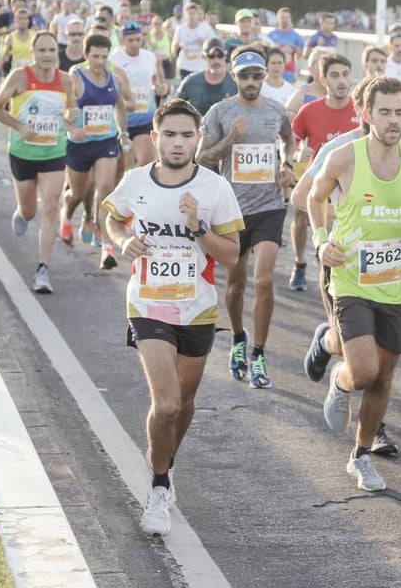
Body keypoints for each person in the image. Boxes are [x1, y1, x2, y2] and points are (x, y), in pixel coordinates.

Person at [103, 98, 245, 537]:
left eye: (186, 135)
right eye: (170, 135)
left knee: (183, 404)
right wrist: (122, 241)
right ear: (155, 137)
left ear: (198, 139)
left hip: (197, 308)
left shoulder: (215, 188)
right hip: (147, 304)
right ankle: (160, 485)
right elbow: (113, 220)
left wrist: (198, 227)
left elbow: (232, 255)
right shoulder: (135, 181)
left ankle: (163, 457)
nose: (178, 143)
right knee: (165, 403)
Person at [308, 76, 401, 491]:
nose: (394, 120)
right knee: (364, 371)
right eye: (385, 112)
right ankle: (340, 378)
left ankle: (361, 455)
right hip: (350, 278)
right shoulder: (344, 158)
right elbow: (314, 197)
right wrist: (321, 241)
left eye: (400, 111)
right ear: (366, 114)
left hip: (396, 283)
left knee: (384, 377)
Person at [197, 48, 296, 388]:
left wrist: (287, 164)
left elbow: (289, 139)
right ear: (233, 76)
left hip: (269, 206)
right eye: (245, 75)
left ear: (265, 75)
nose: (252, 81)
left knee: (264, 280)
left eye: (257, 75)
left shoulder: (276, 110)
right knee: (236, 286)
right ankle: (238, 337)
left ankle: (259, 353)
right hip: (232, 210)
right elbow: (202, 157)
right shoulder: (221, 112)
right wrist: (230, 139)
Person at [0, 31, 80, 293]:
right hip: (23, 153)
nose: (47, 55)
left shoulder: (65, 80)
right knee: (30, 211)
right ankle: (21, 212)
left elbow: (69, 109)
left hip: (53, 152)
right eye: (42, 50)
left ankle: (43, 269)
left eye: (51, 50)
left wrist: (72, 113)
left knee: (51, 205)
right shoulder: (19, 77)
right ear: (33, 53)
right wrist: (19, 127)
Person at [60, 33, 133, 269]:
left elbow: (120, 108)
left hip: (106, 142)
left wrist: (123, 133)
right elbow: (62, 111)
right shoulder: (76, 78)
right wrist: (72, 126)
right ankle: (67, 215)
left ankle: (106, 248)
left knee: (105, 190)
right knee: (77, 194)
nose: (100, 62)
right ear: (86, 55)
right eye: (95, 57)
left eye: (104, 57)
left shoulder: (114, 78)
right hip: (79, 145)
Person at [288, 53, 360, 292]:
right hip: (317, 180)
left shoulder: (360, 110)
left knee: (334, 250)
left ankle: (334, 291)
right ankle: (299, 262)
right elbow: (291, 142)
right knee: (301, 215)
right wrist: (298, 152)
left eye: (345, 75)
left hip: (348, 185)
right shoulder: (309, 110)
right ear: (323, 79)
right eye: (335, 75)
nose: (341, 81)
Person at [110, 20, 169, 167]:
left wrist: (160, 88)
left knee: (146, 165)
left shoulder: (150, 57)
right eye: (130, 40)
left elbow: (156, 81)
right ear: (123, 39)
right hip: (121, 120)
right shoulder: (115, 58)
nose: (135, 44)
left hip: (145, 117)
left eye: (138, 39)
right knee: (125, 168)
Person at [175, 37, 237, 116]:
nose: (216, 60)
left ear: (225, 56)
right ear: (204, 57)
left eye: (220, 55)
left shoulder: (235, 82)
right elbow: (175, 109)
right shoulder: (190, 82)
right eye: (211, 56)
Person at [171, 3, 216, 78]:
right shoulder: (180, 28)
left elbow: (214, 45)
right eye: (189, 13)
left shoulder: (205, 28)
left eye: (193, 13)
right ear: (185, 15)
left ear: (197, 14)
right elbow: (174, 47)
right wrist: (176, 46)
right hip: (184, 65)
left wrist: (205, 43)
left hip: (201, 65)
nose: (191, 16)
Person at [268, 6, 305, 78]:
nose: (285, 20)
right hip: (273, 71)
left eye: (287, 17)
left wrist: (293, 48)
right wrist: (279, 48)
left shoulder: (296, 36)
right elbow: (266, 52)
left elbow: (303, 54)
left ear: (290, 19)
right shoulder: (271, 35)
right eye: (282, 17)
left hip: (289, 72)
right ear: (278, 18)